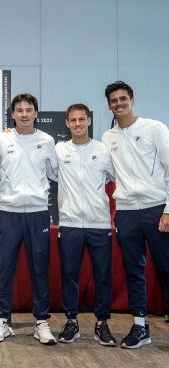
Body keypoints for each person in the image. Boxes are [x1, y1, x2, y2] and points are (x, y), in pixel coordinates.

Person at [101, 80, 169, 349]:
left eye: (123, 99)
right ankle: (140, 326)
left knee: (166, 268)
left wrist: (168, 210)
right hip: (127, 213)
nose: (119, 104)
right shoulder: (108, 138)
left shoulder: (154, 128)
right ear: (109, 106)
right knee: (134, 270)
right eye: (114, 101)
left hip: (156, 210)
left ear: (132, 99)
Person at [0, 93, 58, 345]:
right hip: (9, 213)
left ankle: (41, 323)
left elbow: (56, 174)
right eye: (19, 110)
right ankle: (2, 321)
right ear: (13, 114)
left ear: (36, 113)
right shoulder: (1, 140)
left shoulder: (48, 141)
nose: (24, 114)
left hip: (38, 213)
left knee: (40, 269)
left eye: (29, 109)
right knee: (5, 269)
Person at [55, 103, 116, 346]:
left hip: (99, 224)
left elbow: (114, 177)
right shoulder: (58, 150)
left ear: (89, 120)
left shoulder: (103, 150)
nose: (78, 123)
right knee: (69, 275)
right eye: (73, 120)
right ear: (67, 123)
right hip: (69, 223)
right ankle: (72, 322)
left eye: (82, 119)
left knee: (103, 276)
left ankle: (102, 324)